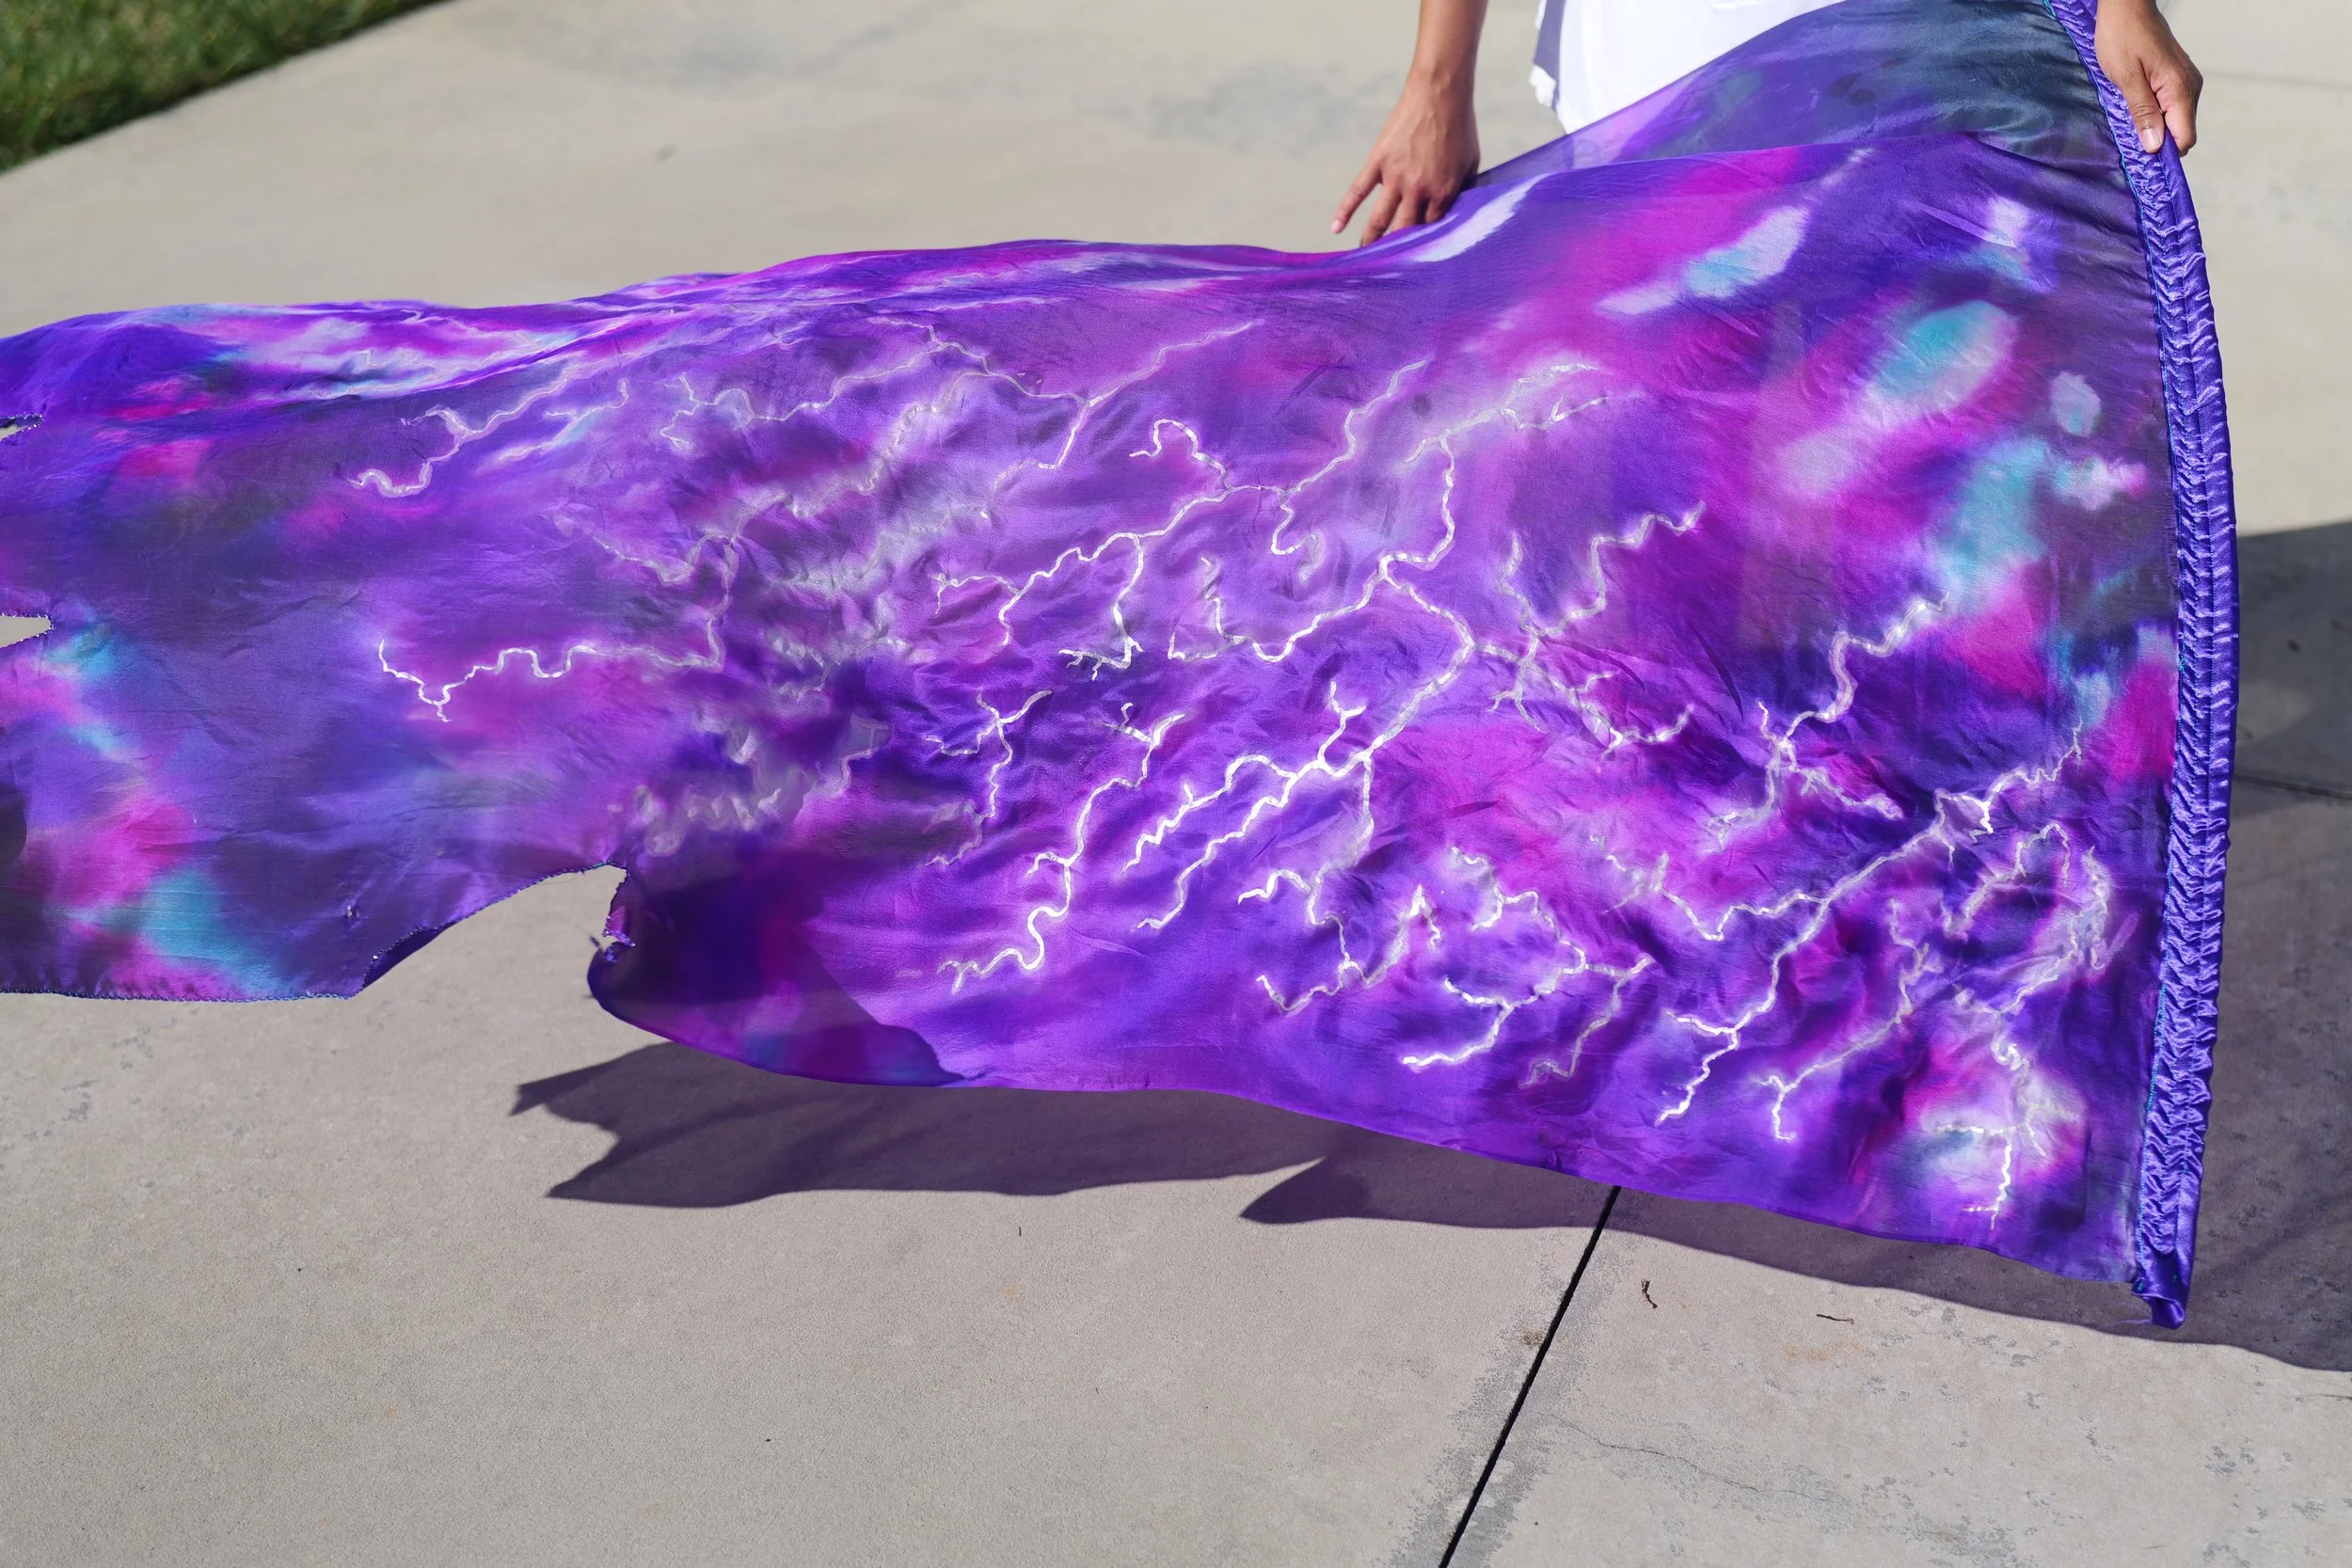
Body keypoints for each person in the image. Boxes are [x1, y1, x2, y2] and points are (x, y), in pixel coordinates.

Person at [1334, 0, 2205, 245]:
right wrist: (1436, 84)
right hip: (1656, 61)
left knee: (1851, 410)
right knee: (1659, 387)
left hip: (1895, 53)